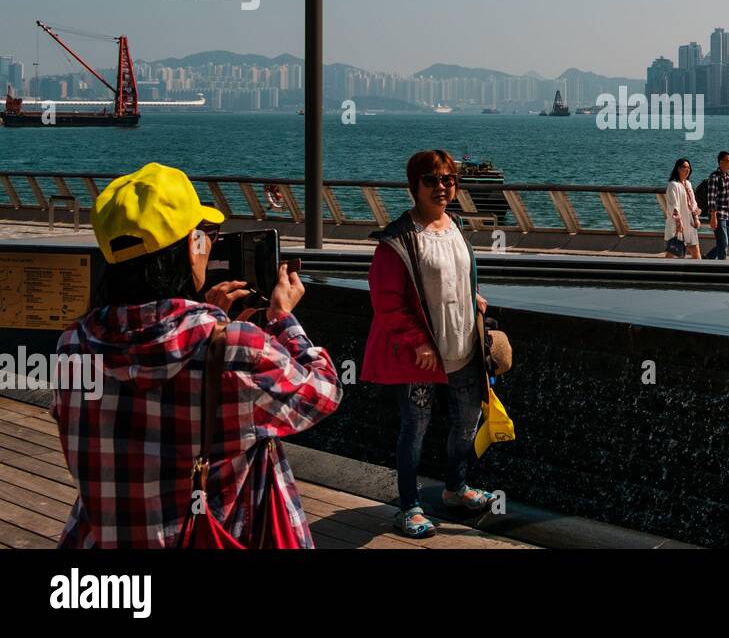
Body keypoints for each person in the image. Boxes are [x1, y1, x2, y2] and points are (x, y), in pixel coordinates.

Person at [50, 162, 341, 548]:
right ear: (191, 245)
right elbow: (322, 394)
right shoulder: (236, 346)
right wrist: (281, 319)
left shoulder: (73, 344)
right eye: (205, 235)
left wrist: (209, 317)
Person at [362, 149, 496, 537]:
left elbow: (456, 276)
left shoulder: (454, 227)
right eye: (432, 180)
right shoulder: (398, 240)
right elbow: (386, 301)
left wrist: (474, 298)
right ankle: (409, 506)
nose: (442, 187)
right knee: (414, 427)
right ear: (414, 185)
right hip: (423, 356)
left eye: (448, 179)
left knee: (467, 421)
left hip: (463, 347)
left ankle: (455, 487)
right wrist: (416, 341)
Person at [702, 151, 729, 260]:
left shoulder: (728, 178)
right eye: (728, 161)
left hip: (727, 215)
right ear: (721, 163)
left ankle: (708, 258)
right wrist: (713, 217)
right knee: (724, 244)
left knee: (728, 242)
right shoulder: (714, 177)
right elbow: (711, 199)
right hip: (718, 215)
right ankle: (722, 266)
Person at [664, 158, 703, 258]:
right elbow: (673, 205)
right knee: (673, 250)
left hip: (690, 222)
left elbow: (693, 203)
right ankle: (662, 270)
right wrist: (678, 222)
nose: (687, 170)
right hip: (679, 223)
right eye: (685, 167)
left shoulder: (688, 184)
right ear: (678, 169)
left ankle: (699, 272)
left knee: (695, 250)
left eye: (689, 168)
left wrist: (696, 218)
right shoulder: (673, 185)